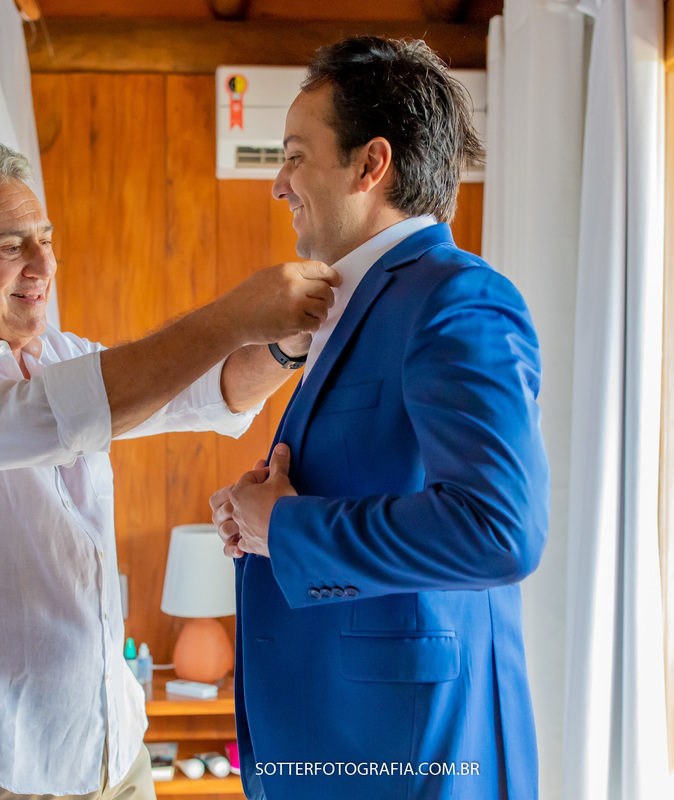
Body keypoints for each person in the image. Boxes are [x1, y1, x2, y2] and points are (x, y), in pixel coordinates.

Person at [0, 141, 339, 800]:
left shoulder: (60, 354)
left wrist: (282, 345)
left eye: (45, 240)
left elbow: (201, 392)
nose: (44, 264)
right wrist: (232, 317)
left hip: (113, 750)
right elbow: (53, 417)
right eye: (10, 246)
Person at [209, 37, 549, 800]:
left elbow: (500, 532)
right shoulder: (354, 306)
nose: (278, 183)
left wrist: (288, 532)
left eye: (295, 156)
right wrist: (259, 517)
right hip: (343, 734)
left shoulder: (458, 297)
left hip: (413, 750)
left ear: (371, 165)